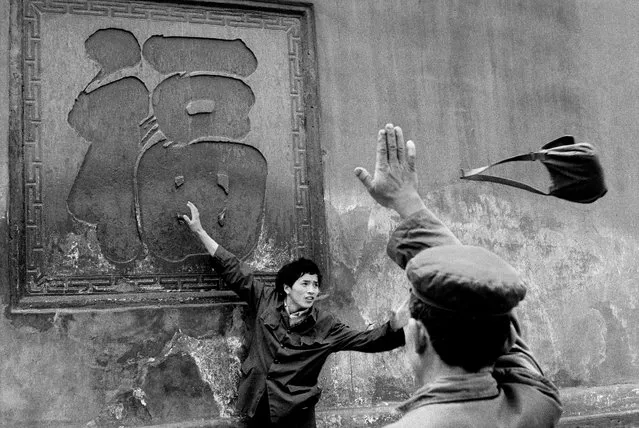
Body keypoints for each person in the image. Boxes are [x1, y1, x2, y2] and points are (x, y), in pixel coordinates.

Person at [355, 124, 563, 427]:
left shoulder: (538, 400)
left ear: (419, 336)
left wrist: (406, 201)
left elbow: (502, 324)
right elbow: (491, 305)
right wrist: (409, 203)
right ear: (505, 339)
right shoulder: (535, 406)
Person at [182, 201, 408, 427]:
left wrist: (395, 325)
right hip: (257, 408)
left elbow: (366, 341)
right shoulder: (266, 300)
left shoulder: (326, 325)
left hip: (296, 417)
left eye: (316, 285)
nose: (312, 291)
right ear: (287, 288)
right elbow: (233, 269)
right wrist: (200, 231)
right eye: (305, 284)